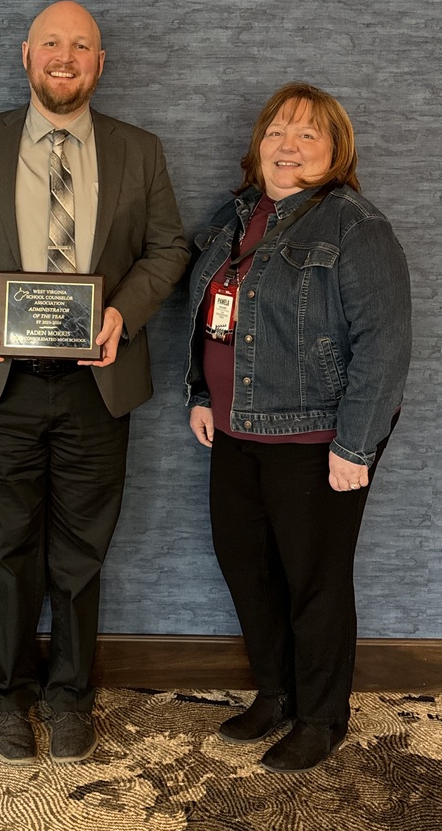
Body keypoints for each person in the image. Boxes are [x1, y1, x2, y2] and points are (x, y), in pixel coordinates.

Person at [0, 0, 189, 765]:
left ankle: (69, 696)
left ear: (100, 64)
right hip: (0, 381)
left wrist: (123, 316)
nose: (65, 58)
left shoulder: (140, 149)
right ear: (25, 54)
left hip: (97, 384)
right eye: (52, 44)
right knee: (2, 548)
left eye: (82, 47)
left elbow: (169, 248)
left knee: (82, 550)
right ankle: (6, 696)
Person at [184, 82, 411, 774]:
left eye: (308, 135)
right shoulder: (236, 214)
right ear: (259, 145)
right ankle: (276, 694)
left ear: (335, 151)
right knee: (248, 571)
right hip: (232, 433)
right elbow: (207, 308)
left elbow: (385, 342)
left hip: (315, 445)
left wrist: (355, 444)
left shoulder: (353, 225)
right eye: (279, 131)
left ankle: (321, 717)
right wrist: (199, 391)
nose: (289, 145)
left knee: (314, 584)